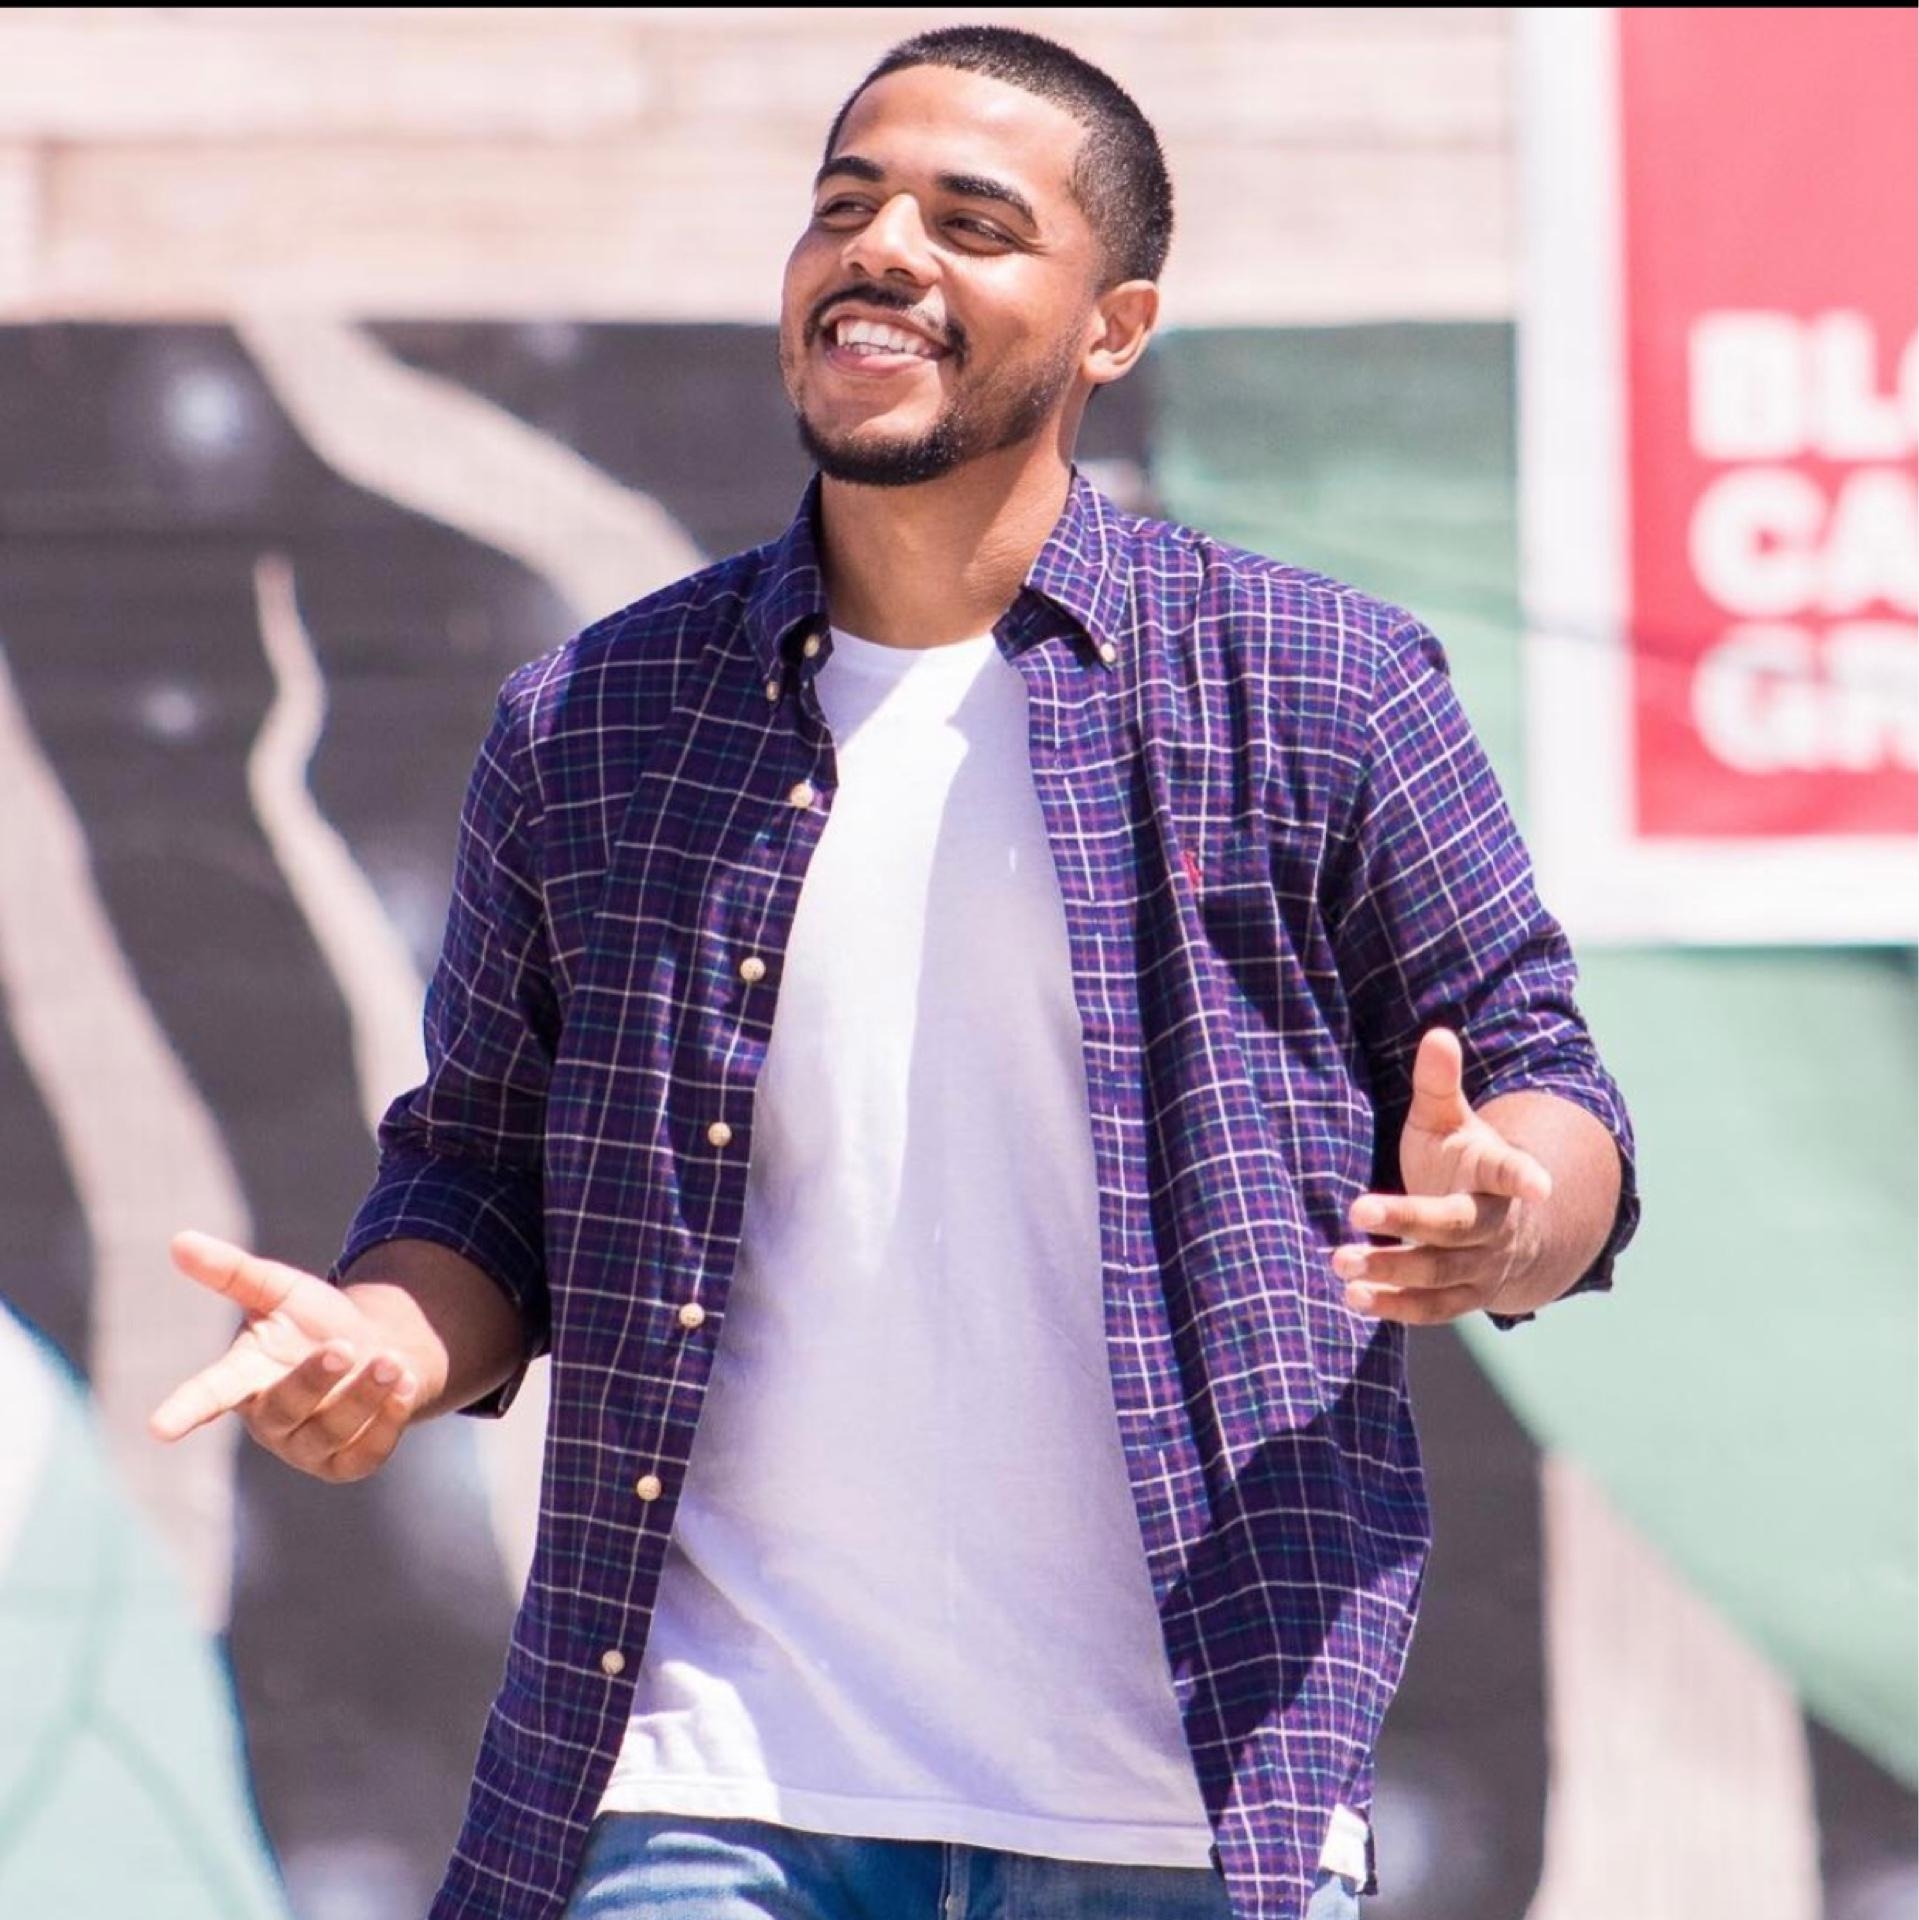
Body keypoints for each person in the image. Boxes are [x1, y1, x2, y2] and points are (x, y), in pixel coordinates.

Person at [149, 24, 1638, 1920]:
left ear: (1112, 326)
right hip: (705, 1779)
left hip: (1175, 1806)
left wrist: (1506, 1219)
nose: (884, 250)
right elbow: (483, 1175)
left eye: (973, 222)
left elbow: (1545, 1087)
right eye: (845, 205)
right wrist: (388, 1339)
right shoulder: (598, 718)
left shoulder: (1316, 684)